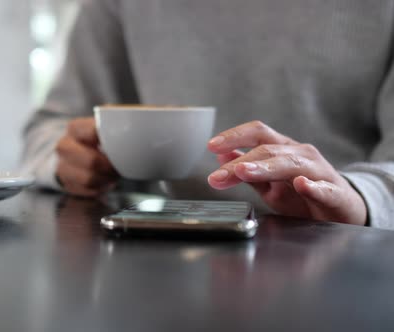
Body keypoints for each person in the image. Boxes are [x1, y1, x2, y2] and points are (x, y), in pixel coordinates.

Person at [22, 0, 394, 229]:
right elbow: (50, 128)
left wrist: (361, 198)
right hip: (147, 247)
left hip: (341, 246)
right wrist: (68, 158)